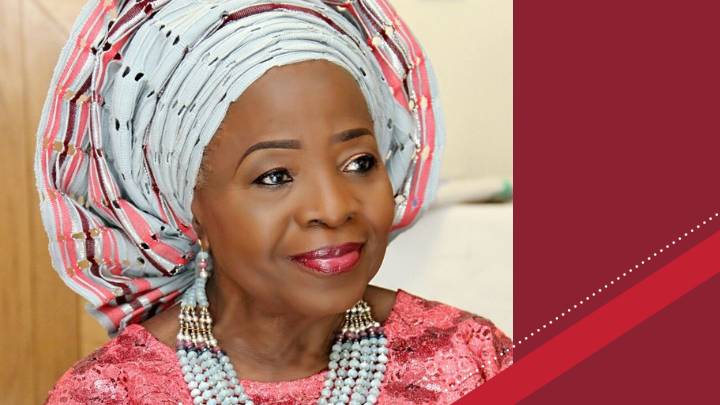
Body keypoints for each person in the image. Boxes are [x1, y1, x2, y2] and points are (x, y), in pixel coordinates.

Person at [36, 1, 512, 404]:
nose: (332, 207)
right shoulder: (111, 393)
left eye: (360, 163)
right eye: (274, 176)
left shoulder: (474, 360)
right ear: (187, 206)